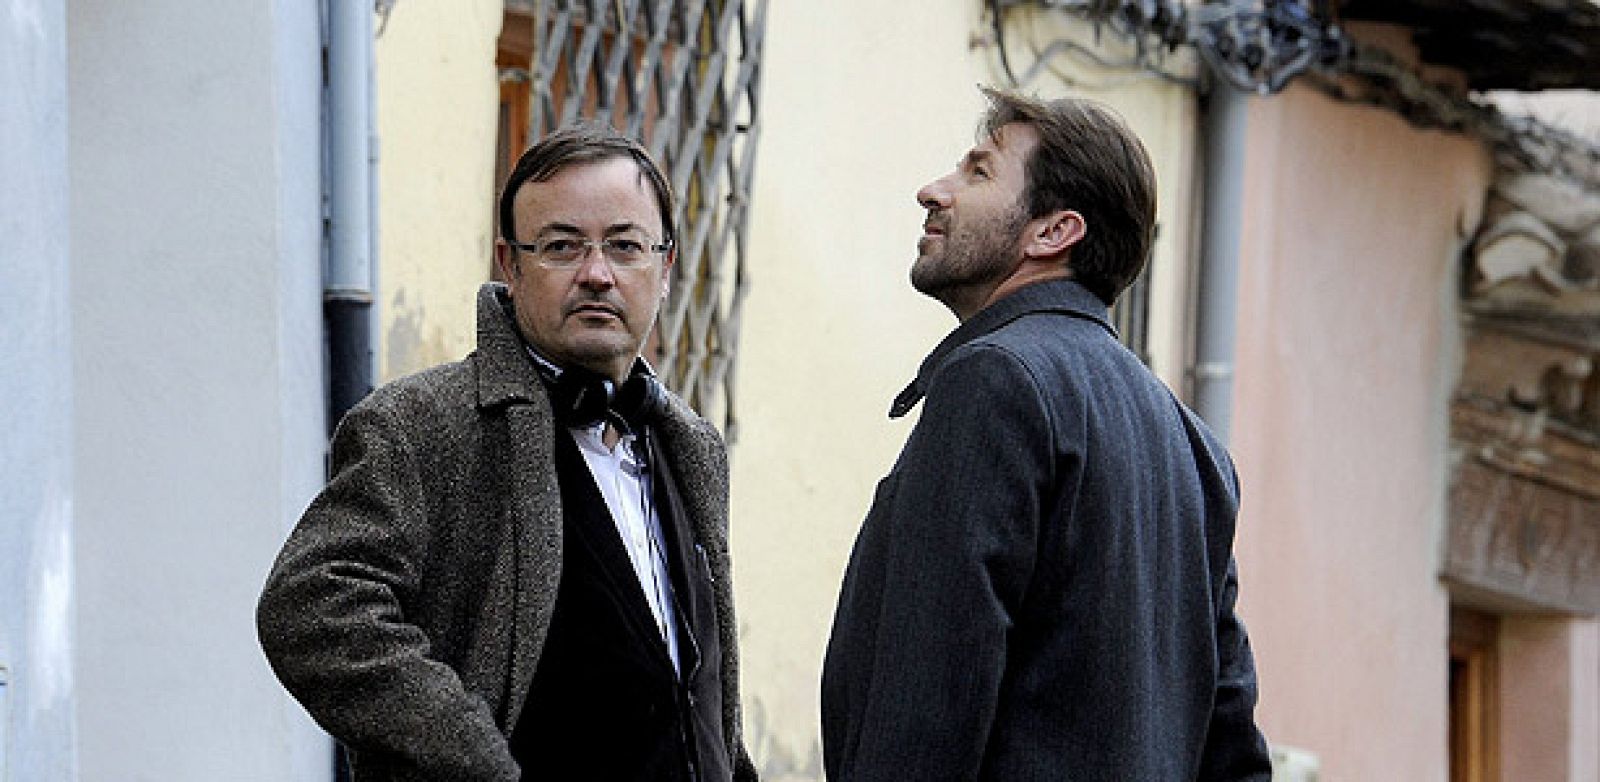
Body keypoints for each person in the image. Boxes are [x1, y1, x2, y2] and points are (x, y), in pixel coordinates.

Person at [258, 123, 757, 782]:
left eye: (625, 245)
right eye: (561, 246)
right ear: (510, 264)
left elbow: (698, 686)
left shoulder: (691, 445)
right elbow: (311, 605)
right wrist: (473, 757)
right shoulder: (419, 425)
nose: (598, 274)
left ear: (665, 268)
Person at [820, 88, 1272, 781]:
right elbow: (1234, 749)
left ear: (1052, 233)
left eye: (978, 172)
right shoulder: (1196, 450)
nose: (931, 192)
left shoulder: (995, 381)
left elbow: (928, 692)